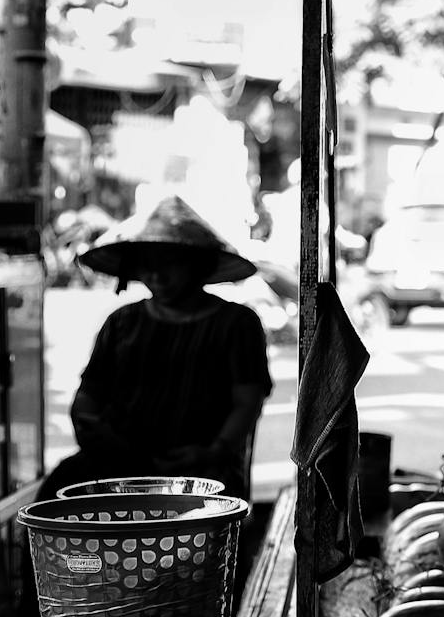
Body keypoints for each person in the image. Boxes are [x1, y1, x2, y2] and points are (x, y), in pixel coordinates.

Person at [40, 194, 273, 501]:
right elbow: (88, 396)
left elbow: (247, 402)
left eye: (170, 265)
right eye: (148, 266)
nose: (157, 276)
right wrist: (94, 432)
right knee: (55, 496)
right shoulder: (122, 322)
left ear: (198, 266)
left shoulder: (237, 324)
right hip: (118, 465)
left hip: (203, 472)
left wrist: (211, 451)